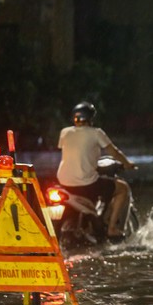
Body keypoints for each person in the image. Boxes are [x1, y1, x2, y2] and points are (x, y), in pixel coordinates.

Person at [57, 102, 136, 239]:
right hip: (86, 184)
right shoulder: (96, 133)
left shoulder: (65, 132)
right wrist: (128, 164)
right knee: (123, 188)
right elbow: (115, 152)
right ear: (91, 118)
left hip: (64, 183)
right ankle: (112, 229)